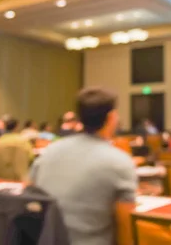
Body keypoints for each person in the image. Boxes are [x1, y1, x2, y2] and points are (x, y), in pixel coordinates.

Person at [30, 87, 136, 245]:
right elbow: (126, 231)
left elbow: (31, 195)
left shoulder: (48, 152)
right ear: (111, 117)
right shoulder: (120, 162)